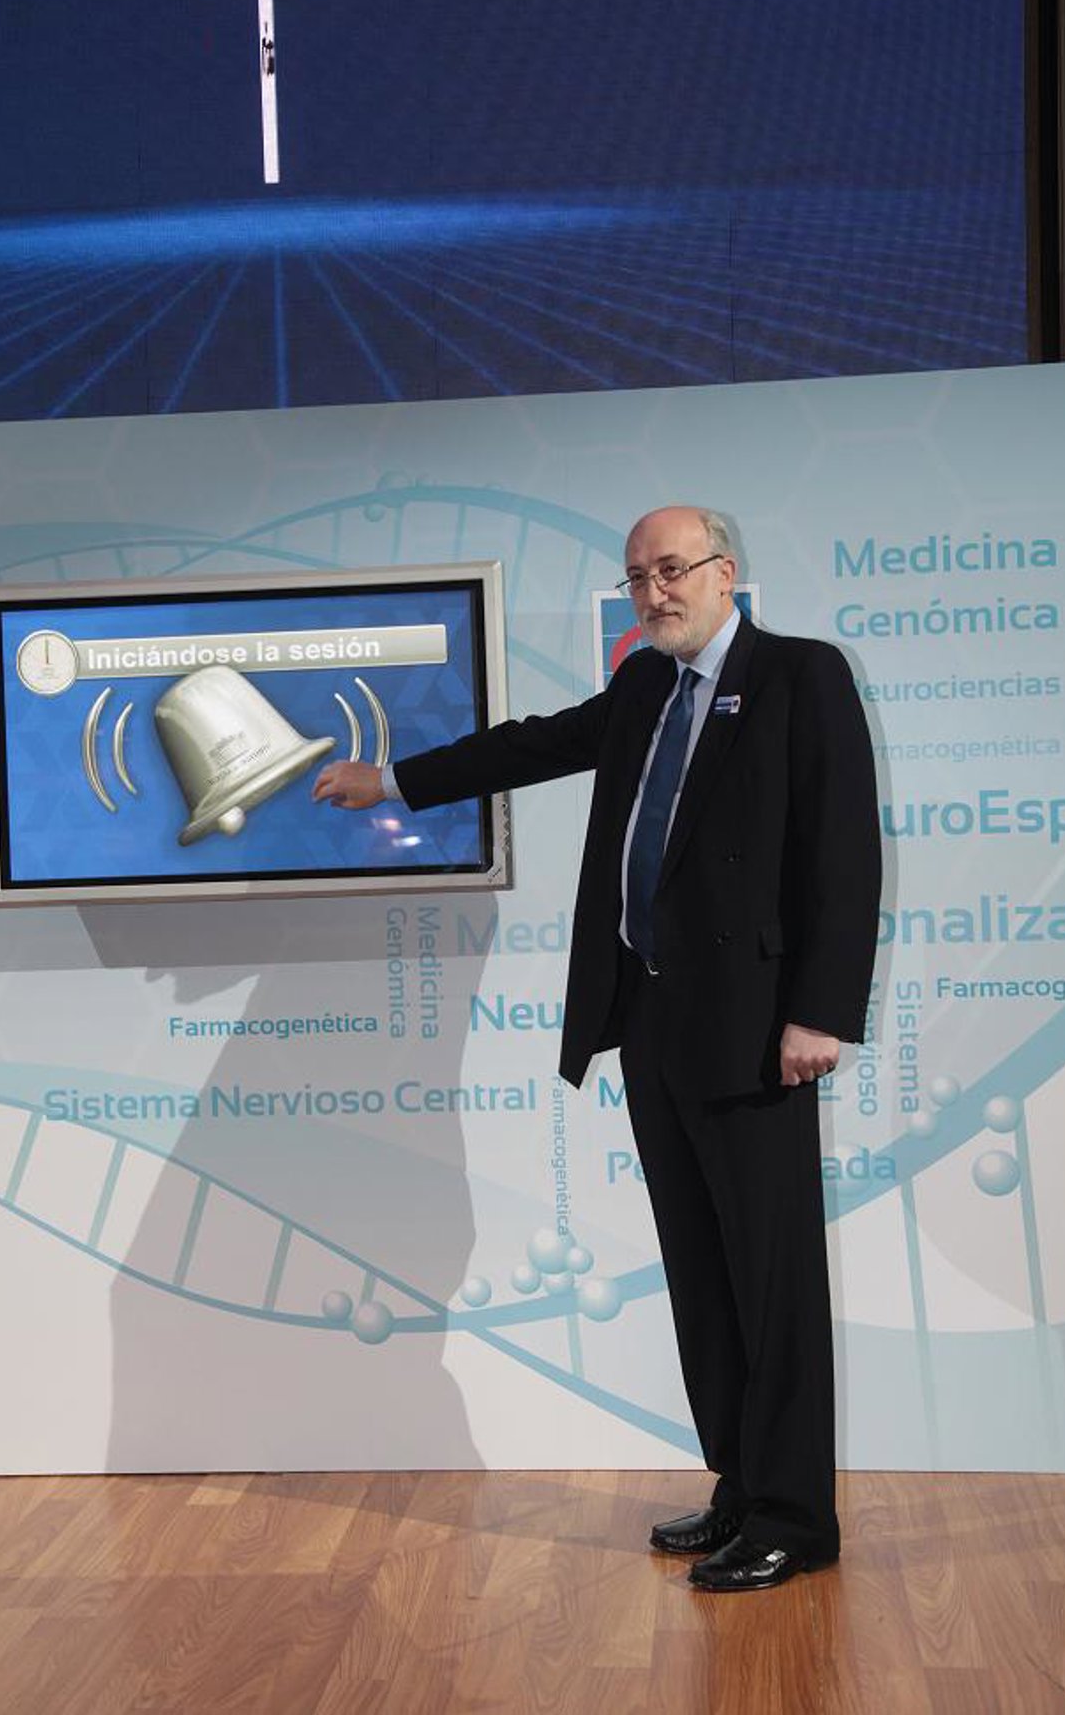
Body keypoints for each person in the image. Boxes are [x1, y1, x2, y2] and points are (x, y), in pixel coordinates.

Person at [312, 504, 881, 1592]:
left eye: (672, 570)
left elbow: (844, 854)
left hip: (757, 1032)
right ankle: (740, 1486)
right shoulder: (643, 689)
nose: (655, 593)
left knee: (771, 1283)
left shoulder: (800, 676)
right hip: (653, 1022)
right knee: (702, 1276)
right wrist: (392, 781)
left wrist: (819, 1014)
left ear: (724, 572)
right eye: (638, 578)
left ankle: (796, 1516)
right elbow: (535, 745)